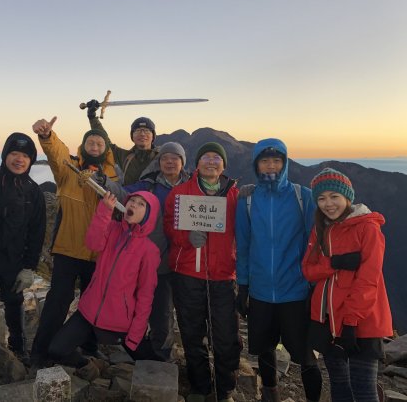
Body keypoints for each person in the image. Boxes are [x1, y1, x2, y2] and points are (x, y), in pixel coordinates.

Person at [235, 138, 322, 402]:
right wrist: (243, 286)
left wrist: (313, 284)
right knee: (264, 349)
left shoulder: (302, 196)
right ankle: (269, 395)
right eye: (265, 161)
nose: (270, 165)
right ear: (256, 165)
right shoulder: (248, 201)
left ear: (284, 163)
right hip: (261, 291)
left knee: (305, 354)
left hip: (295, 289)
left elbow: (313, 242)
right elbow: (244, 245)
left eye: (276, 160)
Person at [29, 116, 119, 367]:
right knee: (58, 301)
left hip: (98, 253)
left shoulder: (113, 177)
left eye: (100, 143)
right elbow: (57, 154)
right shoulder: (69, 170)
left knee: (93, 302)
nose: (95, 145)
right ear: (83, 146)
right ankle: (39, 352)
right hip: (69, 248)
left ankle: (89, 347)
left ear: (106, 149)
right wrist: (48, 136)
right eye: (90, 141)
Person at [48, 190, 162, 379]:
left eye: (141, 204)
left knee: (153, 365)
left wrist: (136, 331)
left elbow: (146, 295)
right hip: (89, 311)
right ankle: (89, 364)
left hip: (120, 321)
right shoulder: (112, 228)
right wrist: (104, 211)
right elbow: (93, 243)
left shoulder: (149, 250)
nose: (133, 205)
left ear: (149, 215)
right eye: (132, 200)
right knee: (56, 350)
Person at [302, 168, 392, 402]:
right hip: (328, 321)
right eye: (321, 198)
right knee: (340, 386)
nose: (328, 204)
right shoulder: (321, 229)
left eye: (334, 196)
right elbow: (308, 270)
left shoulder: (367, 228)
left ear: (347, 197)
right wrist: (335, 264)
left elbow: (368, 281)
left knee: (363, 390)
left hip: (361, 323)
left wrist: (351, 322)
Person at [163, 142, 241, 402]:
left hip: (222, 275)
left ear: (223, 166)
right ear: (196, 164)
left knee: (225, 335)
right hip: (187, 273)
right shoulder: (180, 193)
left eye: (216, 158)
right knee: (192, 333)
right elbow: (169, 227)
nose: (211, 161)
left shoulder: (235, 195)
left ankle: (224, 388)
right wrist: (186, 237)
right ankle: (200, 386)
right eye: (206, 157)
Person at [100, 142, 190, 361]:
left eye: (175, 158)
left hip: (186, 258)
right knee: (159, 309)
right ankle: (153, 352)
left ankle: (168, 353)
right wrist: (104, 183)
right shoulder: (147, 186)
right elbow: (123, 195)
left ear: (182, 162)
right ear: (158, 163)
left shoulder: (192, 186)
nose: (170, 162)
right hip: (155, 259)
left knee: (182, 311)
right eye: (165, 158)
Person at [0, 133, 46, 360]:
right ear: (5, 155)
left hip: (14, 258)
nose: (19, 159)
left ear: (31, 160)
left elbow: (37, 232)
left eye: (25, 156)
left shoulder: (33, 191)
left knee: (14, 300)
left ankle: (17, 346)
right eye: (14, 154)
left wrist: (29, 267)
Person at [85, 99, 159, 185]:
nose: (142, 134)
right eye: (138, 130)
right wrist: (92, 117)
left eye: (147, 130)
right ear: (132, 136)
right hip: (128, 197)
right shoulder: (124, 157)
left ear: (153, 135)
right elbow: (104, 141)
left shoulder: (162, 156)